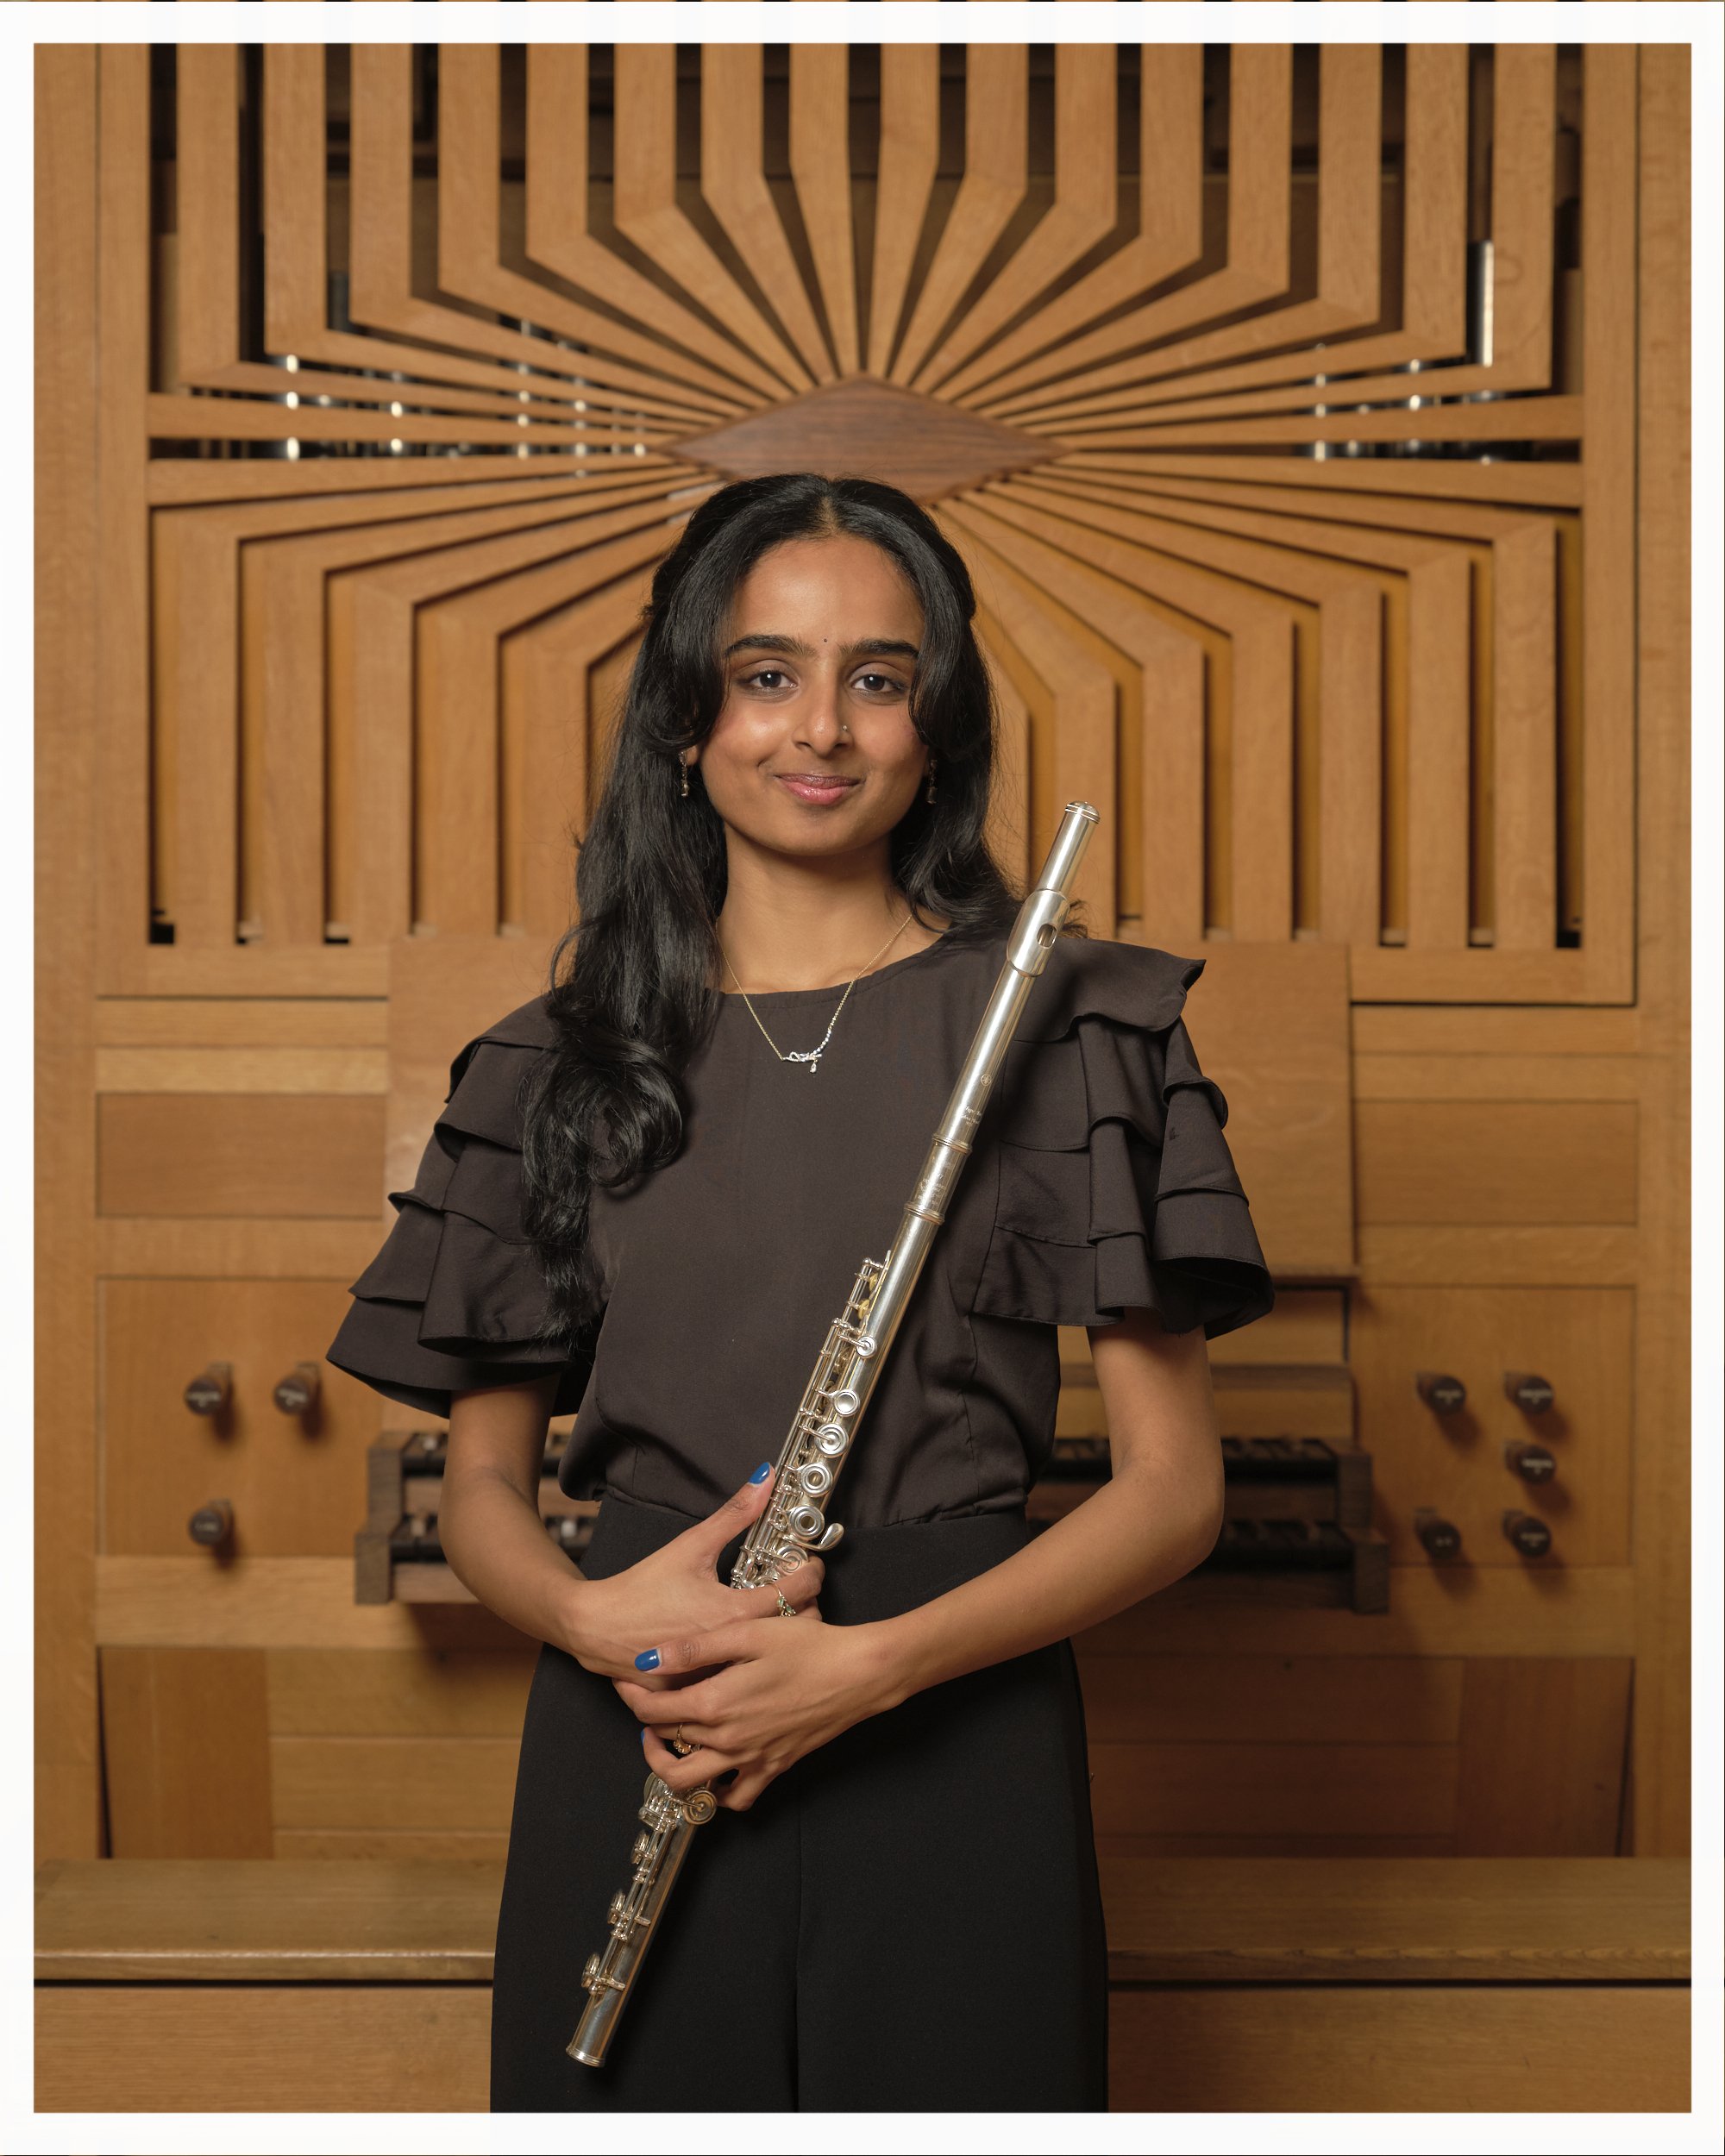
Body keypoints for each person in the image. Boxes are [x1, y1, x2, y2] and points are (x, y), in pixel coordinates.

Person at [326, 473, 1276, 2114]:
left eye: (878, 678)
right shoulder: (550, 1065)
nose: (819, 727)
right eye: (767, 675)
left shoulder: (1070, 1025)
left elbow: (1176, 1492)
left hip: (953, 1714)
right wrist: (582, 1613)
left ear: (934, 725)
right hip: (647, 1706)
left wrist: (872, 1666)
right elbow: (480, 1481)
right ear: (689, 720)